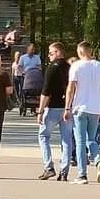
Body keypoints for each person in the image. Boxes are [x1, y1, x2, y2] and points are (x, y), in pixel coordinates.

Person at [64, 41, 100, 185]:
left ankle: (82, 174)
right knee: (92, 139)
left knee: (80, 141)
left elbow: (71, 89)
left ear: (80, 52)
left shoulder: (76, 66)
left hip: (80, 109)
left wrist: (67, 108)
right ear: (90, 51)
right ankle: (98, 160)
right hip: (95, 109)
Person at [38, 42, 73, 181]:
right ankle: (64, 171)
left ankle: (49, 167)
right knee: (66, 140)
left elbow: (46, 92)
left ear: (58, 52)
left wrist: (40, 111)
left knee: (43, 136)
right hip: (67, 108)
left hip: (52, 108)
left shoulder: (51, 68)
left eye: (51, 53)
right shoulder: (70, 68)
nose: (49, 55)